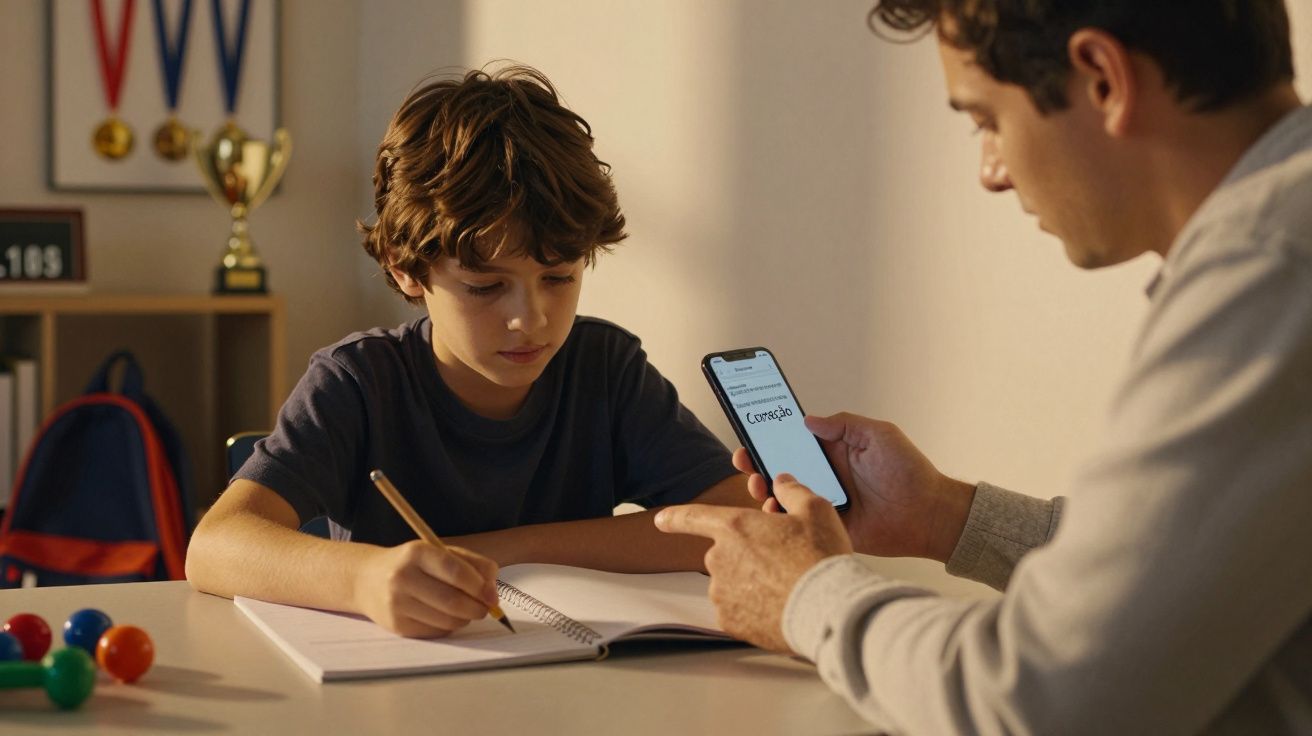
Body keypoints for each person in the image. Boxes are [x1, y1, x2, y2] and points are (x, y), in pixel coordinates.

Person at [655, 1, 1312, 732]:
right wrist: (942, 514)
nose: (991, 173)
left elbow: (1046, 697)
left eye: (987, 121)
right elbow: (1185, 581)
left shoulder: (1270, 268)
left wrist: (806, 596)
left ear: (1103, 79)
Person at [186, 64, 749, 639]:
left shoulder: (604, 367)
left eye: (558, 278)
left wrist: (496, 551)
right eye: (485, 286)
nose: (530, 319)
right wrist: (366, 579)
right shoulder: (358, 383)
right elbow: (215, 546)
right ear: (406, 270)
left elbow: (738, 521)